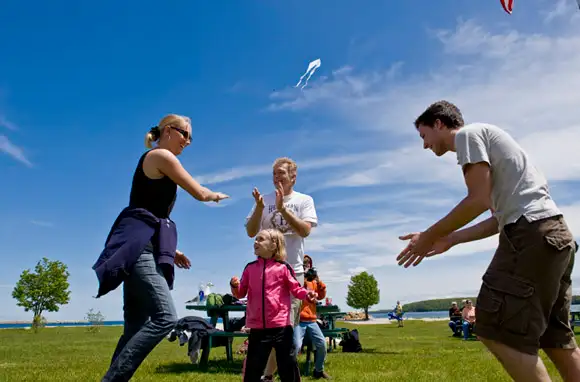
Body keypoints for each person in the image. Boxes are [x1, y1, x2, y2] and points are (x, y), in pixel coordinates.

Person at [396, 100, 579, 381]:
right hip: (555, 236)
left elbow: (476, 200)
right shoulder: (498, 154)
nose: (424, 145)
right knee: (556, 336)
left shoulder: (468, 136)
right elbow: (496, 218)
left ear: (439, 124)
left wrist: (428, 237)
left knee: (497, 329)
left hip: (530, 235)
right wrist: (452, 239)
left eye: (424, 136)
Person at [92, 114, 229, 381]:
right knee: (165, 318)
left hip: (141, 247)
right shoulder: (161, 157)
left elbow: (149, 214)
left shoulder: (159, 161)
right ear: (168, 130)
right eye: (185, 134)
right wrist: (214, 195)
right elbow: (199, 192)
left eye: (191, 137)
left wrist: (171, 251)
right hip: (139, 251)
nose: (188, 142)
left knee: (135, 328)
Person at [245, 157, 318, 381]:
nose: (277, 177)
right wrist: (259, 208)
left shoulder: (304, 200)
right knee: (267, 330)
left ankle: (269, 375)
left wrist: (283, 210)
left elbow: (305, 230)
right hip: (265, 274)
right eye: (274, 173)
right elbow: (250, 231)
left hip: (292, 270)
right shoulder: (263, 200)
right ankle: (265, 375)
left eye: (281, 173)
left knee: (286, 332)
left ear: (293, 177)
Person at [230, 229, 318, 382]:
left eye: (261, 239)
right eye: (255, 239)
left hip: (281, 327)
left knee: (288, 366)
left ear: (274, 245)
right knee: (253, 368)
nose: (255, 242)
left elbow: (296, 289)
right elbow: (240, 294)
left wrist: (307, 294)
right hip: (257, 328)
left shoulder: (283, 268)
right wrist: (234, 286)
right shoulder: (250, 268)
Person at [294, 254, 331, 379]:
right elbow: (298, 288)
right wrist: (302, 276)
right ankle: (291, 372)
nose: (307, 265)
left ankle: (318, 370)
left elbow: (321, 295)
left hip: (311, 320)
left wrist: (317, 279)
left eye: (308, 263)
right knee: (295, 346)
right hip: (298, 320)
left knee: (322, 345)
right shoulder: (297, 279)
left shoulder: (313, 282)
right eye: (304, 263)